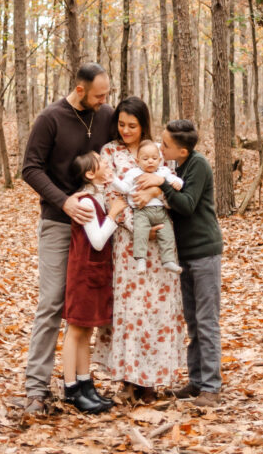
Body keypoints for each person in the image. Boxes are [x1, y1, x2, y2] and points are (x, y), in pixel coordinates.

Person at [22, 63, 113, 414]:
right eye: (99, 95)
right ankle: (36, 388)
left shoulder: (104, 115)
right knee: (52, 302)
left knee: (86, 305)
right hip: (59, 223)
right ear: (79, 89)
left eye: (107, 94)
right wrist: (64, 201)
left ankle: (77, 383)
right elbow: (30, 167)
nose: (105, 101)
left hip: (97, 226)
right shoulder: (51, 118)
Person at [93, 97, 186, 400]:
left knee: (156, 310)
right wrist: (137, 227)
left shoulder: (159, 150)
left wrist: (158, 190)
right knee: (130, 310)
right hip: (127, 242)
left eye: (132, 125)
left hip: (161, 244)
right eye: (121, 124)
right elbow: (110, 195)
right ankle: (128, 380)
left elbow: (173, 184)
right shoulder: (110, 152)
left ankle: (152, 381)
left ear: (144, 124)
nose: (126, 130)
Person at [135, 119, 223, 408]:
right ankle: (197, 382)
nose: (160, 148)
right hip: (185, 254)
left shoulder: (198, 165)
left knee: (207, 322)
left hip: (204, 253)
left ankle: (211, 387)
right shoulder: (176, 168)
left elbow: (186, 204)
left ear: (182, 151)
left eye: (166, 145)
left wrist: (161, 186)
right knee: (194, 322)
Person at [62, 151, 127, 414]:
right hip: (82, 275)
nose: (106, 164)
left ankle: (85, 383)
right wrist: (113, 215)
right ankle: (70, 389)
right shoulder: (87, 202)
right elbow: (97, 240)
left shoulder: (98, 196)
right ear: (90, 174)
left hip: (95, 274)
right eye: (101, 163)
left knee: (86, 331)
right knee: (75, 330)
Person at [113, 139, 183, 274]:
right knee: (140, 232)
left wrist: (178, 183)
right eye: (145, 159)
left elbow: (175, 180)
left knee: (167, 233)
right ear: (138, 161)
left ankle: (168, 260)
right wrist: (113, 180)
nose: (150, 161)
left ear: (159, 159)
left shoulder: (163, 171)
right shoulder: (133, 173)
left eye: (154, 158)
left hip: (161, 212)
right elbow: (124, 188)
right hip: (142, 211)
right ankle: (141, 259)